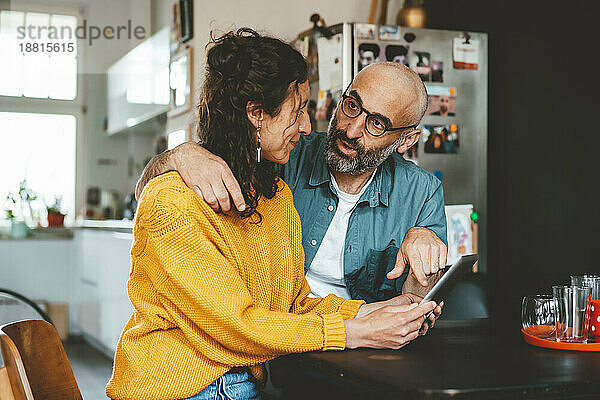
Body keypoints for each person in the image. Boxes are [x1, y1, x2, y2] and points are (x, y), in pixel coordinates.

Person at [107, 30, 441, 400]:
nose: (308, 126)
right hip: (177, 390)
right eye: (298, 111)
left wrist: (371, 312)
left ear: (406, 139)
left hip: (247, 380)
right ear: (255, 114)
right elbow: (238, 323)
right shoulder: (178, 199)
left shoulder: (276, 195)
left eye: (376, 123)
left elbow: (293, 304)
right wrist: (354, 331)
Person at [137, 61, 448, 304]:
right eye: (352, 105)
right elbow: (146, 193)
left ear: (407, 140)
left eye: (377, 124)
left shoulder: (421, 192)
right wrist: (180, 155)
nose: (352, 131)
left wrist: (425, 255)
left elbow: (414, 308)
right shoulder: (284, 152)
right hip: (284, 345)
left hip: (367, 348)